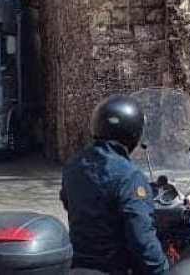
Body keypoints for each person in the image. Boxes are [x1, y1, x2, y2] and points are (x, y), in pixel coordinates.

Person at [60, 95, 169, 275]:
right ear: (133, 132)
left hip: (77, 264)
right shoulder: (130, 176)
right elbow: (142, 240)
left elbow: (67, 201)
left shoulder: (74, 166)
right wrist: (162, 269)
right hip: (114, 268)